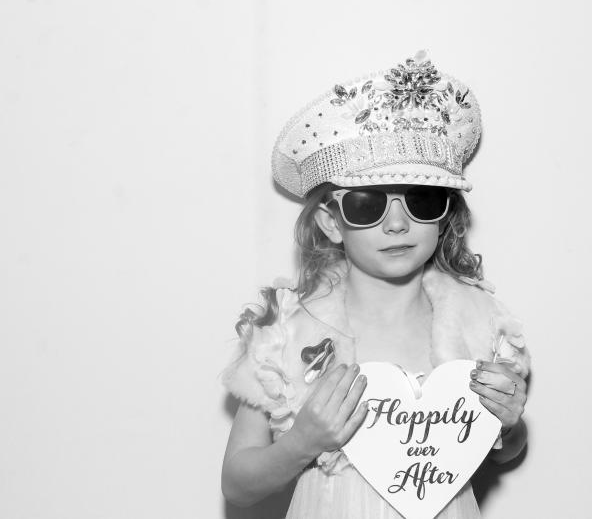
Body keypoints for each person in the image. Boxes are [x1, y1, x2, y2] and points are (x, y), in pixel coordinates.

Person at [220, 51, 531, 518]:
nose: (397, 224)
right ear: (331, 223)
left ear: (445, 215)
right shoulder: (285, 334)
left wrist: (509, 424)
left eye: (421, 201)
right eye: (367, 205)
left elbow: (505, 452)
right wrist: (302, 442)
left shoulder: (482, 323)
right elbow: (237, 486)